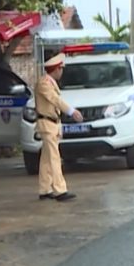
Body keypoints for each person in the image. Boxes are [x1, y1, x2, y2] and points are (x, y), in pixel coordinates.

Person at [35, 53, 83, 202]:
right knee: (54, 158)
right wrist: (71, 111)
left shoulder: (49, 83)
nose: (61, 72)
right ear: (56, 69)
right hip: (47, 124)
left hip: (52, 124)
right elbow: (55, 100)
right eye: (61, 69)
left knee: (46, 159)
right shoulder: (44, 83)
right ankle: (60, 190)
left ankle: (45, 189)